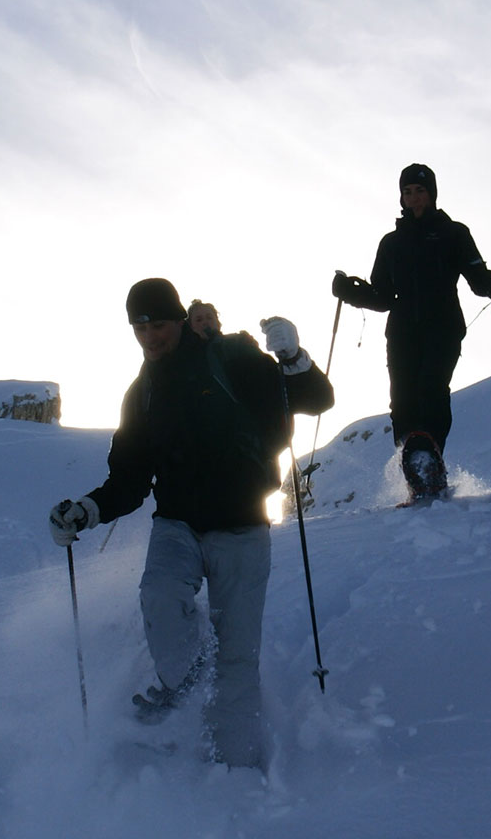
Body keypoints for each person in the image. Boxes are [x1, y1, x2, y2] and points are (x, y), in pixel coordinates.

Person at [47, 278, 333, 769]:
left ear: (178, 320)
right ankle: (187, 677)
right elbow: (130, 478)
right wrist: (88, 511)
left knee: (238, 660)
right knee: (159, 597)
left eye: (156, 324)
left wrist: (293, 358)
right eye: (138, 327)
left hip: (243, 527)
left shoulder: (235, 361)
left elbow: (315, 400)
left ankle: (236, 770)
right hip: (177, 524)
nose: (148, 336)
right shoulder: (142, 394)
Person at [332, 163, 491, 503]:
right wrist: (349, 292)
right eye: (408, 192)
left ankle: (429, 457)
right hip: (401, 331)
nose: (414, 197)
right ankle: (416, 471)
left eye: (420, 190)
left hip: (443, 324)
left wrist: (488, 283)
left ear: (432, 193)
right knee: (402, 402)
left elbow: (476, 275)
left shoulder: (454, 233)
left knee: (431, 387)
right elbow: (382, 297)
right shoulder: (391, 243)